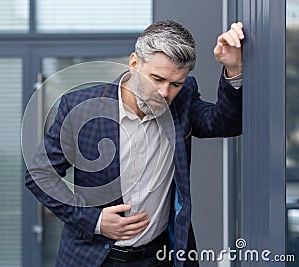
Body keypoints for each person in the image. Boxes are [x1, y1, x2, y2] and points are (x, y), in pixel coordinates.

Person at [25, 20, 244, 267]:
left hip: (160, 257)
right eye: (157, 79)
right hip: (93, 259)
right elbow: (40, 174)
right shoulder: (80, 108)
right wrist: (94, 220)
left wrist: (233, 68)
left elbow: (225, 124)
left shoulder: (182, 100)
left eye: (175, 84)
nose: (164, 92)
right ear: (134, 63)